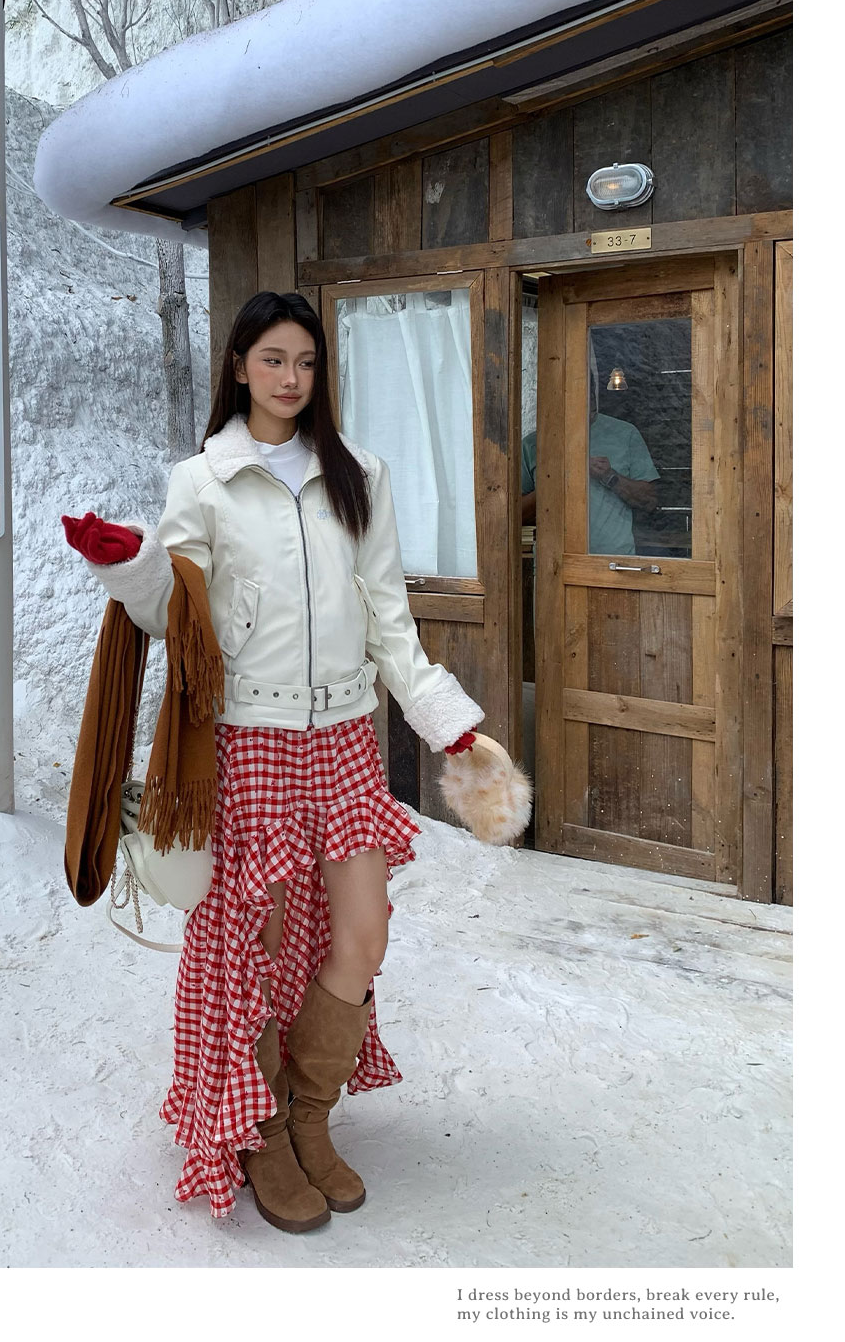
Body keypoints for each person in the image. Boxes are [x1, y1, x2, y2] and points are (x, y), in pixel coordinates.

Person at [66, 291, 484, 1232]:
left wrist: (445, 720)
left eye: (305, 361)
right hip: (248, 739)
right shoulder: (202, 481)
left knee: (361, 938)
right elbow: (176, 616)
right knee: (252, 951)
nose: (291, 378)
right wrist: (130, 568)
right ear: (239, 367)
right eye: (273, 360)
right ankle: (258, 1133)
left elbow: (389, 618)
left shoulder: (358, 475)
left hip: (344, 739)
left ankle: (309, 1114)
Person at [520, 411, 659, 555]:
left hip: (614, 562)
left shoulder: (625, 433)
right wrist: (555, 481)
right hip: (552, 562)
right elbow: (514, 515)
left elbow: (649, 501)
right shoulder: (533, 444)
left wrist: (609, 476)